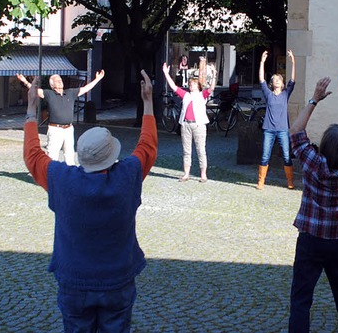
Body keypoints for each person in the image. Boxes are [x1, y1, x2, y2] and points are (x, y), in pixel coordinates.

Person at [23, 70, 157, 332]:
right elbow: (148, 146)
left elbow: (32, 155)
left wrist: (30, 111)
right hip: (117, 280)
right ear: (111, 155)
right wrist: (148, 103)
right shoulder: (127, 175)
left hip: (75, 280)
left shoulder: (62, 179)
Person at [288, 76, 338, 333]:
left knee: (301, 299)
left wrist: (314, 100)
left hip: (312, 239)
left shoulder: (314, 164)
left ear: (324, 147)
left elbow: (296, 133)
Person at [17, 71, 105, 166]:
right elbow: (35, 91)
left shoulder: (70, 93)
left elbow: (86, 88)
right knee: (52, 156)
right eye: (57, 80)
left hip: (69, 129)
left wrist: (98, 79)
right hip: (55, 130)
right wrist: (25, 81)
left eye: (60, 79)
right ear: (52, 85)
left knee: (70, 156)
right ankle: (50, 177)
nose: (60, 81)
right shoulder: (49, 94)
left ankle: (70, 177)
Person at [163, 61, 216, 182]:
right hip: (186, 124)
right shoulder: (186, 95)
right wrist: (166, 73)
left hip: (198, 125)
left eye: (193, 84)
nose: (190, 85)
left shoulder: (202, 95)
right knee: (186, 150)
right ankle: (186, 173)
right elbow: (173, 87)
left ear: (198, 86)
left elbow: (212, 88)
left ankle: (203, 174)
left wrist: (213, 74)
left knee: (201, 150)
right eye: (190, 84)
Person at [257, 50, 296, 189]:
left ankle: (290, 181)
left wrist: (293, 62)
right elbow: (261, 80)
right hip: (269, 129)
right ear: (272, 83)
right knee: (265, 156)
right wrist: (262, 62)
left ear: (282, 83)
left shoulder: (285, 94)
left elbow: (292, 81)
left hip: (283, 130)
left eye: (279, 79)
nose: (277, 81)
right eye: (275, 80)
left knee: (286, 156)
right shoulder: (268, 94)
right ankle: (261, 181)